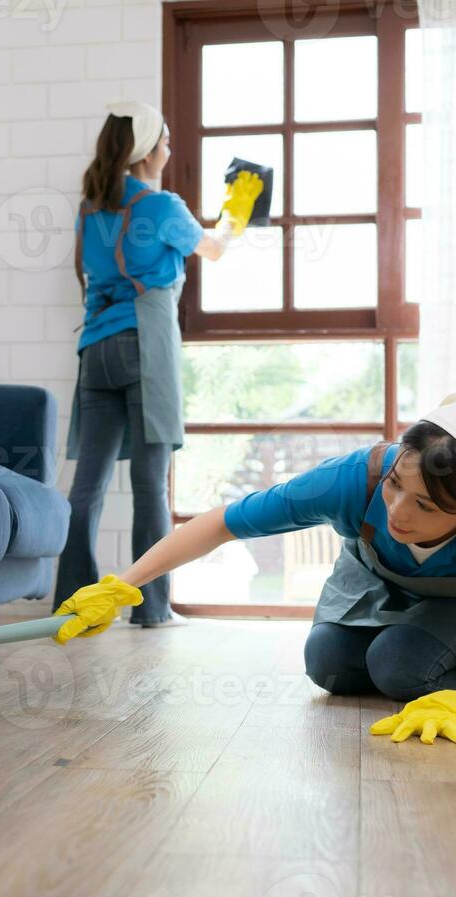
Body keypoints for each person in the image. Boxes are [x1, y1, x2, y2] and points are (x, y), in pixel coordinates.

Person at [52, 393, 456, 744]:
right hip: (372, 580)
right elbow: (224, 524)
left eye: (427, 507)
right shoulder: (352, 479)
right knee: (328, 663)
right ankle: (401, 654)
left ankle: (412, 660)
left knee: (396, 663)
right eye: (395, 485)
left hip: (455, 605)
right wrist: (122, 584)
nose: (397, 512)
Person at [55, 100, 263, 628]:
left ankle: (75, 602)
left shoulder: (91, 205)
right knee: (150, 482)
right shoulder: (162, 206)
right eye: (166, 142)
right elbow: (213, 249)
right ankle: (151, 609)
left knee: (89, 483)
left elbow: (88, 272)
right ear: (147, 149)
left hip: (94, 349)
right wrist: (239, 204)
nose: (170, 150)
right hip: (144, 342)